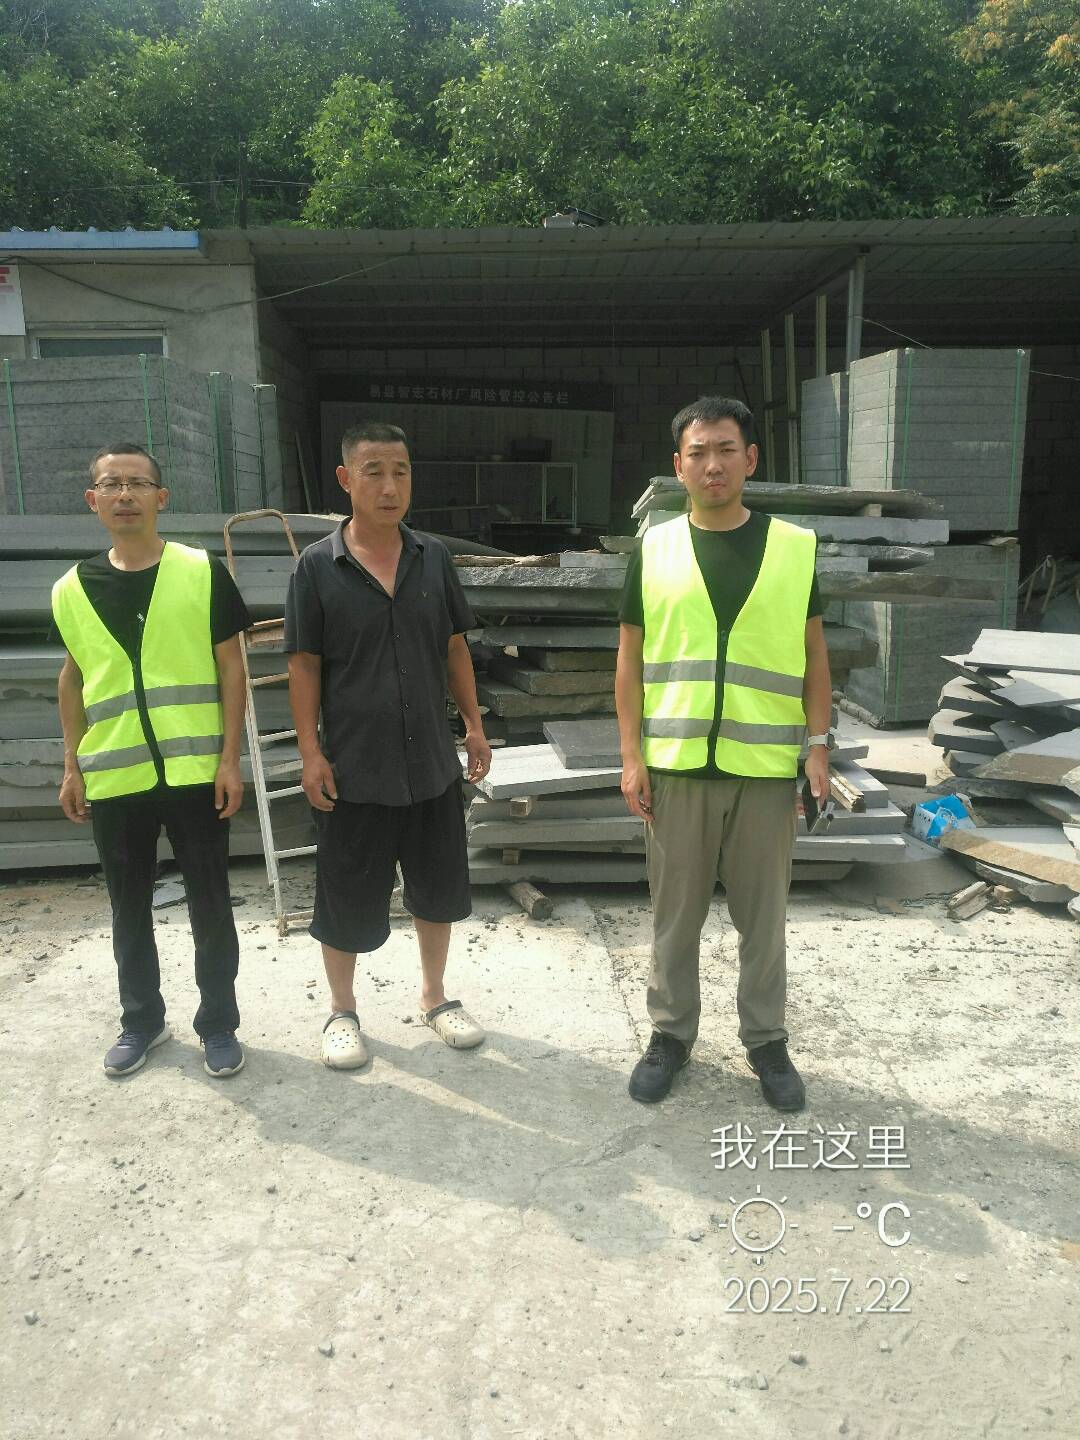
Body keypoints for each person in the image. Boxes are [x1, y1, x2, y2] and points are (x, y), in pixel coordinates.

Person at [616, 397, 832, 1109]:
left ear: (751, 459)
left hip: (765, 772)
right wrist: (631, 755)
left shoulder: (794, 547)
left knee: (762, 922)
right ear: (678, 466)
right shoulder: (654, 549)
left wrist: (819, 748)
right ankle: (670, 1035)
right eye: (699, 452)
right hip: (676, 768)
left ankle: (766, 1041)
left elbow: (814, 656)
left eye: (727, 450)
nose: (713, 464)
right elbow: (629, 659)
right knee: (674, 918)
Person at [285, 422, 492, 1070]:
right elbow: (304, 665)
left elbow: (454, 647)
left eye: (400, 471)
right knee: (345, 894)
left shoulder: (434, 558)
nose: (389, 486)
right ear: (345, 479)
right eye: (373, 471)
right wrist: (311, 753)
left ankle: (435, 996)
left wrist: (474, 724)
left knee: (437, 889)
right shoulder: (317, 567)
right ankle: (342, 1011)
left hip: (430, 762)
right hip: (355, 767)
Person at [52, 443, 252, 1079]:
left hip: (196, 772)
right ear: (93, 500)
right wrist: (72, 765)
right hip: (116, 775)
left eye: (138, 484)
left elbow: (231, 667)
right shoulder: (70, 589)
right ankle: (141, 1021)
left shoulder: (200, 571)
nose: (125, 495)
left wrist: (230, 759)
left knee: (210, 903)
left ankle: (218, 1023)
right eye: (111, 484)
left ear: (161, 498)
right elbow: (73, 678)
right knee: (128, 907)